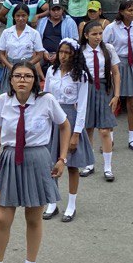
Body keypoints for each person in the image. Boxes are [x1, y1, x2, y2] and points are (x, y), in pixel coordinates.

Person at [0, 61, 68, 263]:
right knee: (3, 217)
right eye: (18, 76)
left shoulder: (46, 101)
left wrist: (62, 158)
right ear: (11, 80)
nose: (22, 80)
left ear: (35, 80)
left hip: (37, 159)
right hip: (10, 159)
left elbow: (64, 125)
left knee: (33, 217)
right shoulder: (3, 101)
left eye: (28, 76)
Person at [44, 39, 93, 223]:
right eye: (61, 52)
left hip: (70, 118)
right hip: (52, 119)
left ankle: (71, 204)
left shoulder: (81, 75)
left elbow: (82, 106)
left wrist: (76, 133)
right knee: (50, 161)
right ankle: (52, 202)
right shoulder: (52, 70)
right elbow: (45, 96)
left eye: (67, 53)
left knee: (72, 164)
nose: (63, 56)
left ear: (75, 55)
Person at [104, 0, 133, 149]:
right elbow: (103, 48)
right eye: (129, 10)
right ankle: (109, 139)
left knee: (132, 103)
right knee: (113, 102)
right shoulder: (112, 27)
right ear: (121, 11)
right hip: (116, 64)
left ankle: (132, 138)